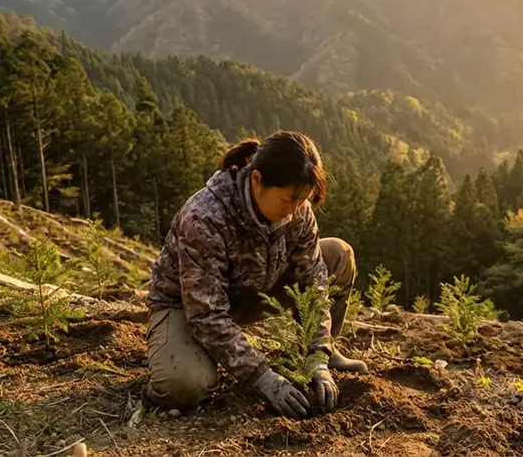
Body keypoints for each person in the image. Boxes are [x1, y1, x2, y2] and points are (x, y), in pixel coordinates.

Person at [143, 130, 367, 418]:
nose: (294, 210)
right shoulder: (205, 218)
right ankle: (174, 362)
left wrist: (318, 356)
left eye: (303, 200)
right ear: (257, 180)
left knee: (337, 254)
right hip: (186, 307)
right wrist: (263, 378)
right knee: (184, 385)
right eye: (288, 200)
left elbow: (315, 282)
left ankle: (319, 353)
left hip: (255, 290)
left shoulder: (297, 210)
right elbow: (206, 314)